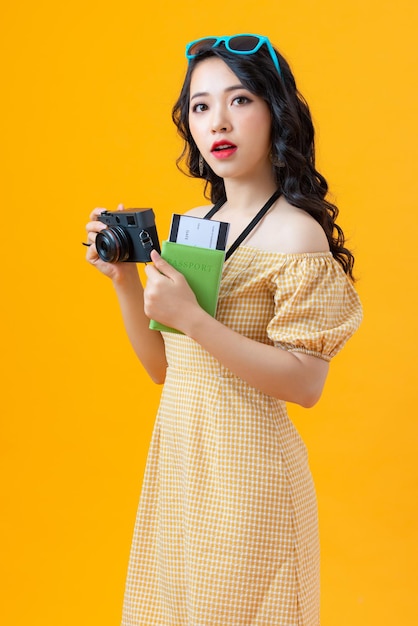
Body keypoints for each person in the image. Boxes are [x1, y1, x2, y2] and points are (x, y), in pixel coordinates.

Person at [85, 34, 362, 626]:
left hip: (252, 481)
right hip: (181, 472)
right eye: (201, 106)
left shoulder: (295, 236)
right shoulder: (194, 225)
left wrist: (193, 318)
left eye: (239, 100)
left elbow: (306, 384)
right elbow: (166, 367)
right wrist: (124, 282)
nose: (219, 121)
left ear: (274, 110)